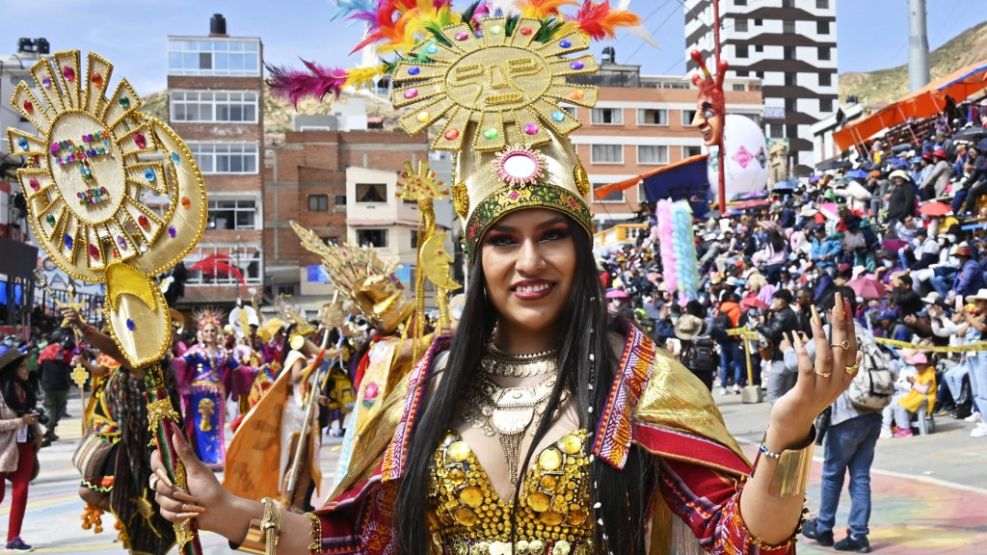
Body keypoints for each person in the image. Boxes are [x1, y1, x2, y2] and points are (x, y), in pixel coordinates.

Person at [151, 7, 861, 553]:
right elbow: (356, 541)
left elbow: (743, 537)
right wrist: (227, 513)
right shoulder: (423, 381)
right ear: (476, 258)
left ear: (583, 253)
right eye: (503, 240)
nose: (529, 262)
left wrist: (788, 433)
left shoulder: (642, 378)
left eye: (553, 235)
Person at [801, 332, 882, 553]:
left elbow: (797, 363)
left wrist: (791, 347)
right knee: (861, 476)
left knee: (832, 475)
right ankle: (858, 535)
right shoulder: (866, 333)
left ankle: (824, 528)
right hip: (872, 412)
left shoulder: (829, 330)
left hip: (844, 416)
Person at [171, 309, 256, 469]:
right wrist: (169, 359)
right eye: (206, 331)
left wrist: (255, 371)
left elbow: (238, 369)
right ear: (201, 333)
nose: (209, 333)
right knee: (199, 425)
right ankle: (200, 457)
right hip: (198, 394)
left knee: (216, 426)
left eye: (212, 330)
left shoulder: (224, 353)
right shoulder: (196, 352)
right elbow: (179, 363)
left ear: (217, 333)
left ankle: (215, 456)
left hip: (217, 395)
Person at [0, 345, 43, 552]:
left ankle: (13, 538)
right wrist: (20, 421)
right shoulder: (0, 394)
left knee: (21, 490)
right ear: (12, 370)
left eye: (27, 366)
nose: (27, 370)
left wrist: (38, 431)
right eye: (23, 367)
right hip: (2, 449)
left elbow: (29, 414)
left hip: (25, 446)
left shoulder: (26, 389)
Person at [37, 331, 74, 444]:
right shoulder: (66, 352)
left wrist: (42, 382)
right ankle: (50, 429)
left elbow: (39, 368)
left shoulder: (44, 351)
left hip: (47, 385)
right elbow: (71, 366)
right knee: (60, 407)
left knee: (50, 407)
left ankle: (50, 429)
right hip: (62, 385)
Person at [675, 314, 717, 390]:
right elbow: (723, 335)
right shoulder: (708, 328)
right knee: (706, 391)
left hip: (689, 365)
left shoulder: (683, 338)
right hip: (706, 366)